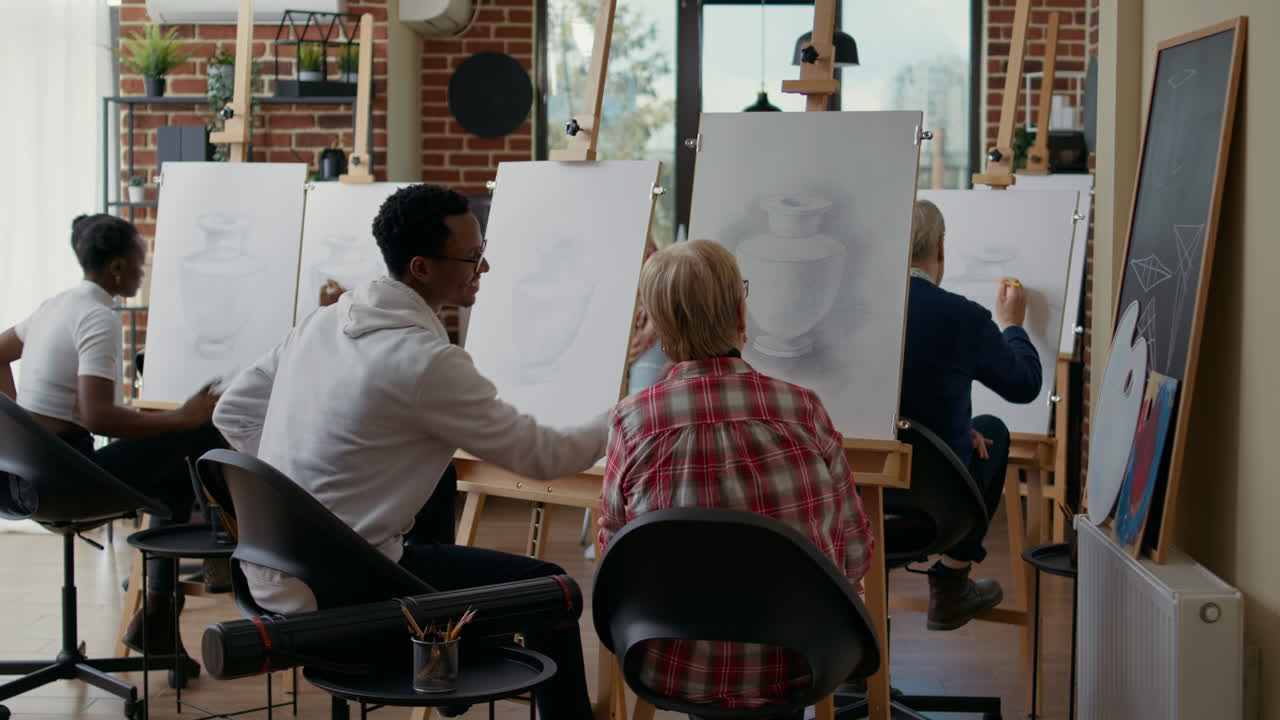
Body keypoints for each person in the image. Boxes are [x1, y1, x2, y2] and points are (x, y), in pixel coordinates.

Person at [212, 183, 606, 720]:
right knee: (552, 590)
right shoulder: (423, 362)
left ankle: (450, 658)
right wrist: (624, 416)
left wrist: (297, 501)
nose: (483, 268)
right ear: (421, 268)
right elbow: (545, 458)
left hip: (268, 571)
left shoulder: (324, 321)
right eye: (472, 258)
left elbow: (231, 412)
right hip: (342, 593)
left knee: (439, 477)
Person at [599, 239, 873, 715]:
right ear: (741, 314)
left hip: (672, 659)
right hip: (800, 658)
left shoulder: (632, 421)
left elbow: (615, 555)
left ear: (660, 331)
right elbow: (853, 551)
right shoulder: (802, 410)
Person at [0, 214, 224, 669]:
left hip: (19, 478)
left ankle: (158, 618)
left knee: (174, 478)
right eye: (142, 261)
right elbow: (98, 415)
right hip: (64, 481)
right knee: (197, 433)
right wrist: (182, 415)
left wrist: (21, 427)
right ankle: (218, 555)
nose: (145, 271)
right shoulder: (98, 317)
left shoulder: (55, 305)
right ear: (118, 267)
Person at [899, 199, 1042, 631]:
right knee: (993, 430)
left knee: (975, 432)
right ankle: (951, 584)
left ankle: (855, 669)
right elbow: (1024, 385)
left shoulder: (853, 311)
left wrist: (955, 432)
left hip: (853, 508)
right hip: (936, 511)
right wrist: (1012, 325)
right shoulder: (963, 317)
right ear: (940, 248)